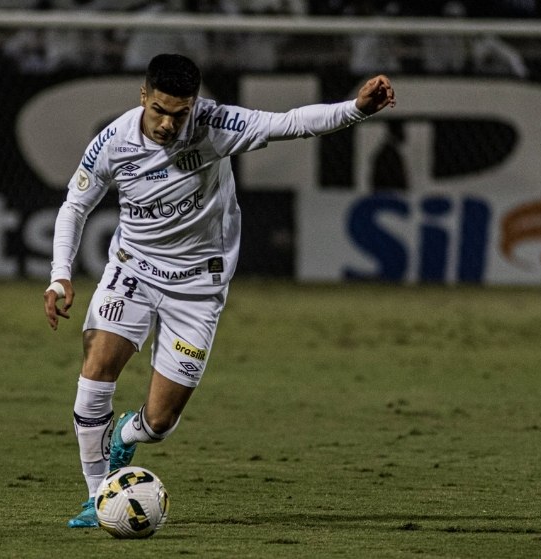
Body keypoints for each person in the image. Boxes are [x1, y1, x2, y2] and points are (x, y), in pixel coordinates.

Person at [43, 53, 395, 528]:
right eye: (159, 110)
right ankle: (98, 496)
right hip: (134, 271)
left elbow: (290, 123)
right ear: (143, 96)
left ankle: (129, 431)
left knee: (161, 423)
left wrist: (355, 109)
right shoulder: (113, 141)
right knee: (94, 379)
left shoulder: (215, 124)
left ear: (194, 105)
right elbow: (74, 206)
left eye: (179, 113)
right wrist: (60, 274)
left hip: (197, 287)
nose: (168, 124)